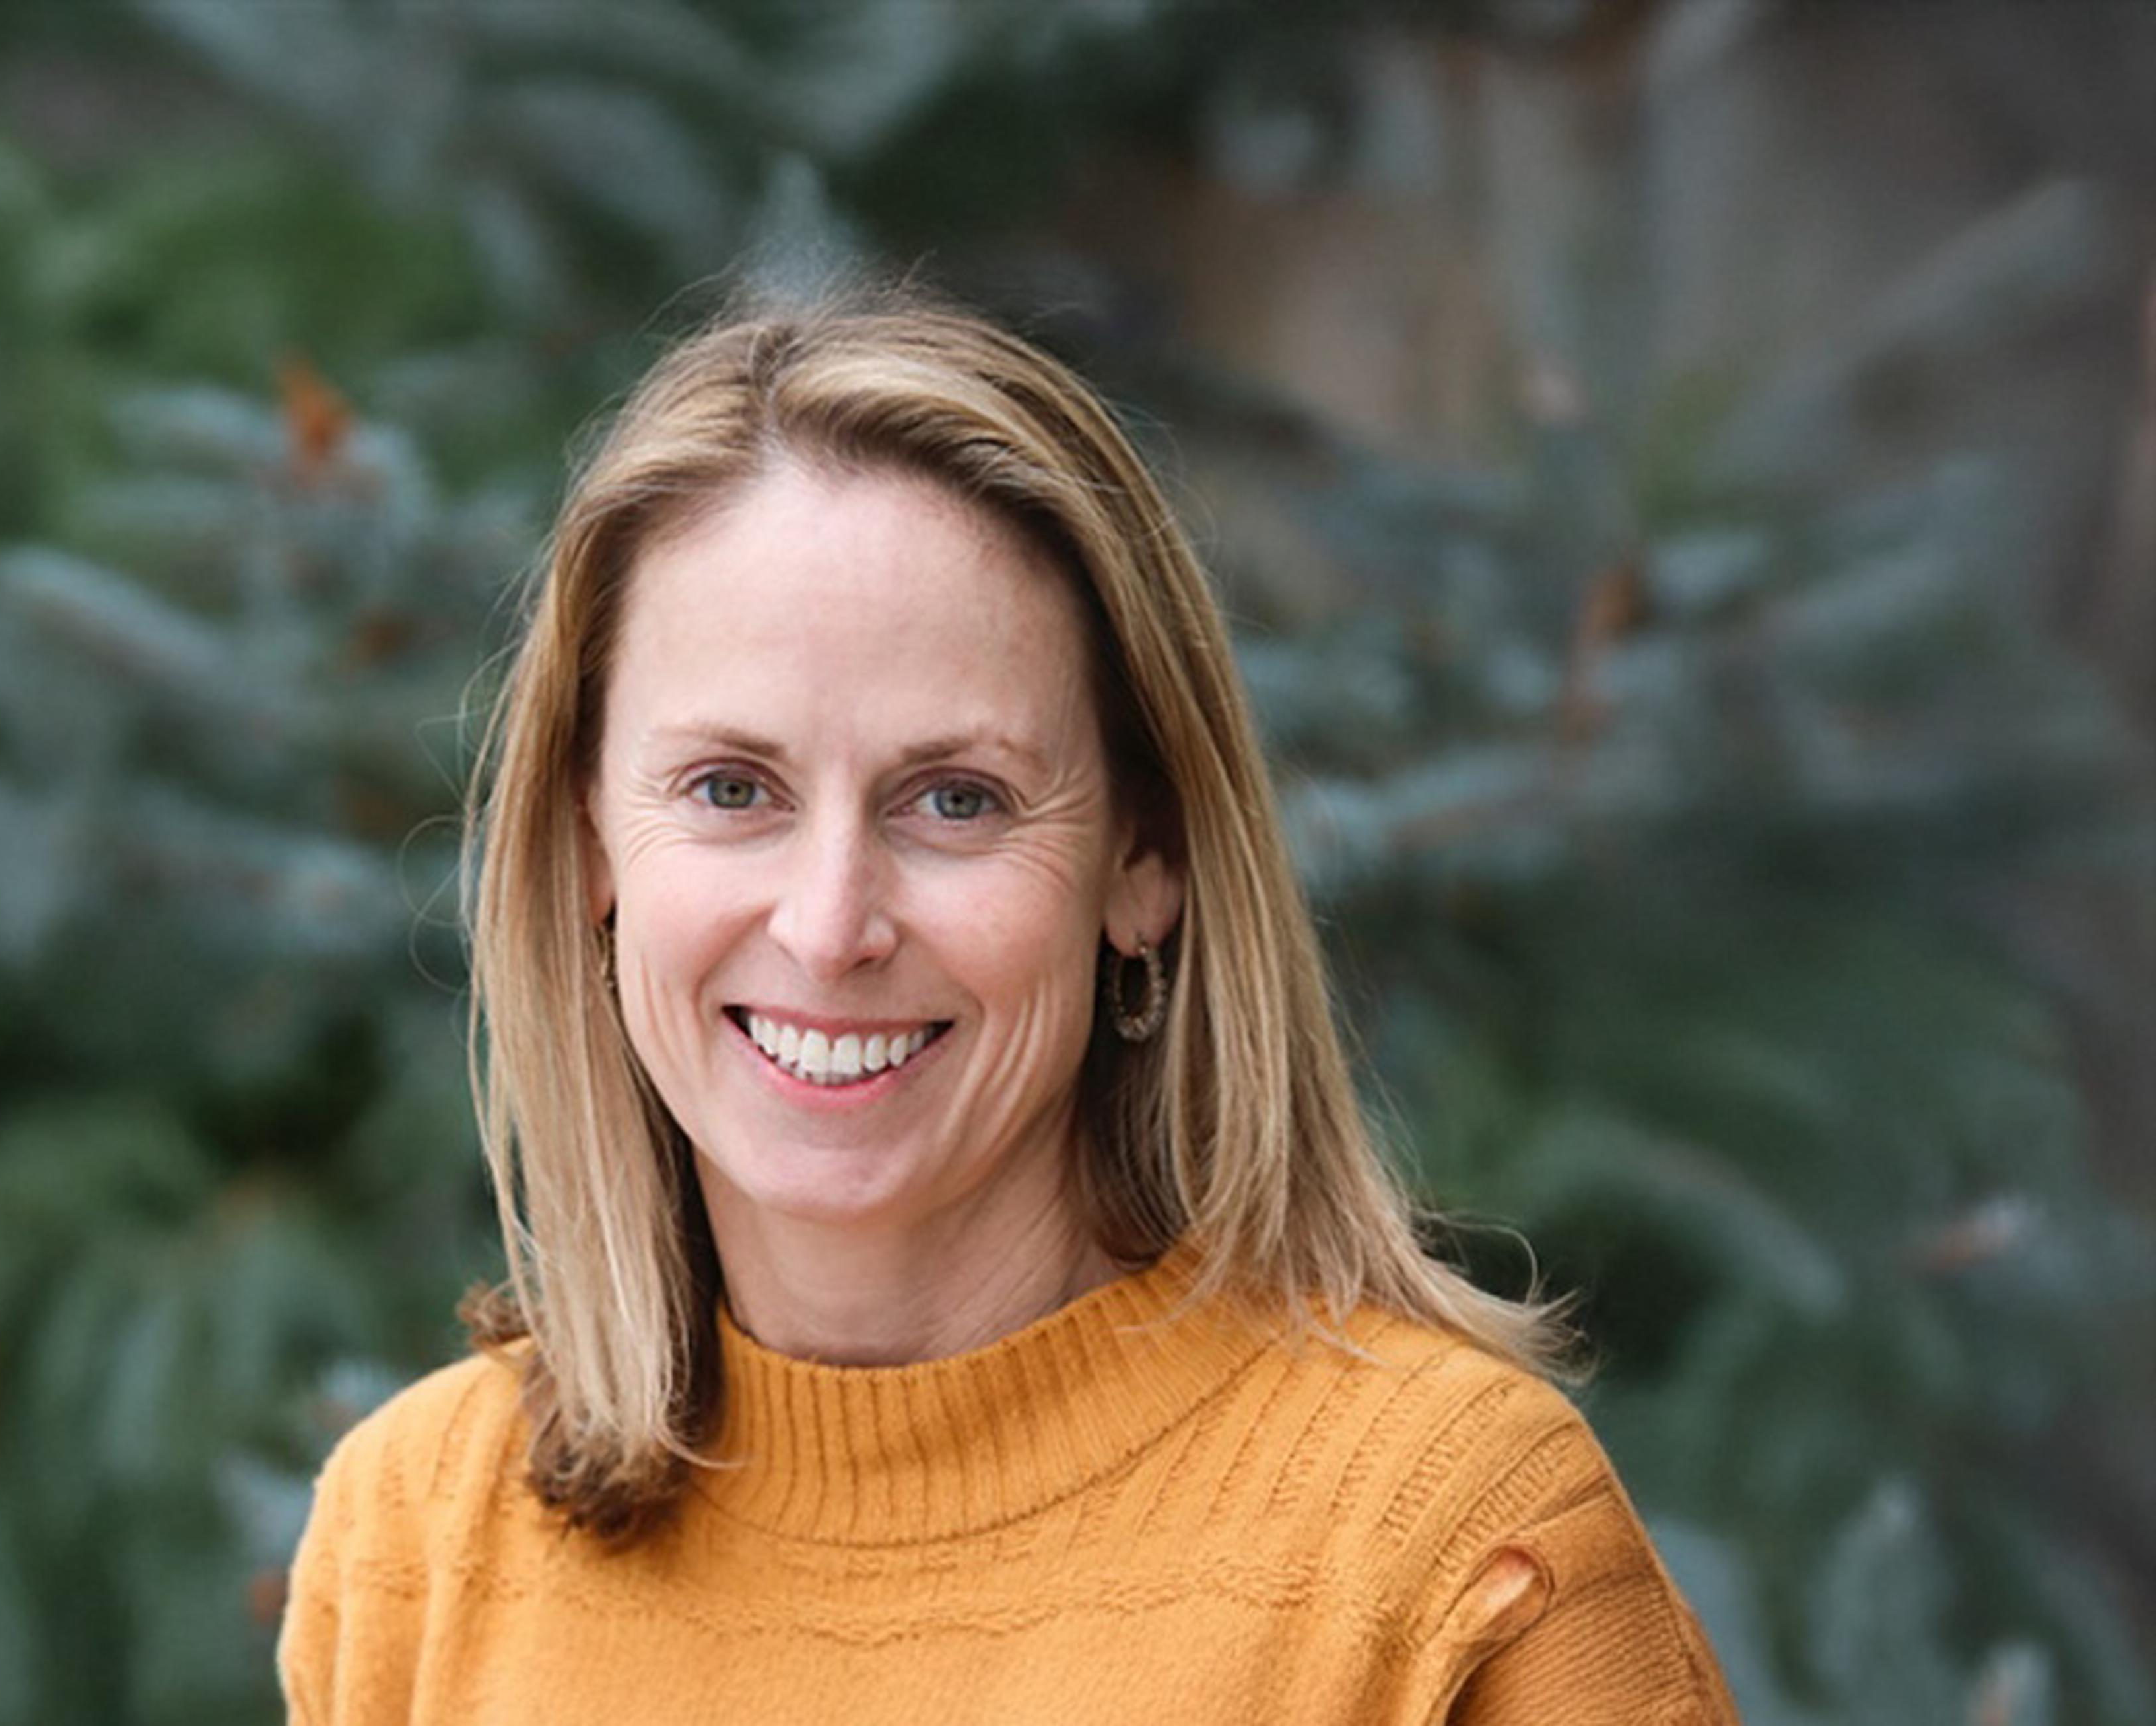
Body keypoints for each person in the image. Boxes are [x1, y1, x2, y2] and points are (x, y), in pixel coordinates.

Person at [278, 290, 1739, 1725]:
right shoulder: (417, 1540)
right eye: (734, 789)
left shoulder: (1449, 1549)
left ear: (1146, 860)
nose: (830, 923)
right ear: (591, 839)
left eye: (956, 798)